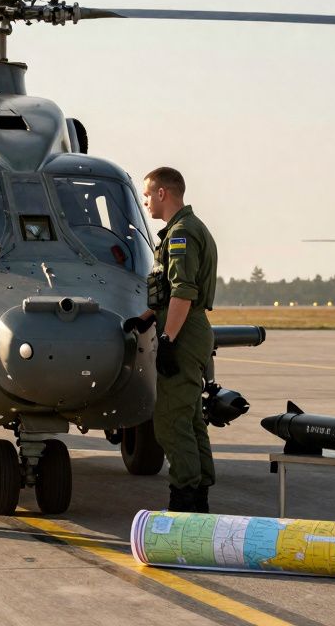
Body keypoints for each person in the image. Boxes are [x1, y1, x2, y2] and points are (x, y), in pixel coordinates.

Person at [134, 167, 218, 513]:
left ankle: (185, 502)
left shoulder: (182, 234)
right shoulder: (184, 230)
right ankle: (198, 495)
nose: (145, 201)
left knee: (170, 421)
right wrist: (148, 318)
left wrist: (168, 339)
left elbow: (184, 292)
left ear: (163, 194)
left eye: (148, 194)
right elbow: (172, 296)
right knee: (190, 418)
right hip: (187, 327)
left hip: (183, 332)